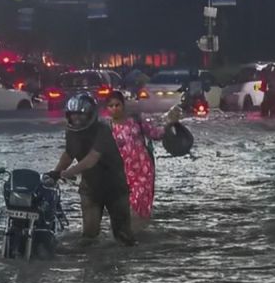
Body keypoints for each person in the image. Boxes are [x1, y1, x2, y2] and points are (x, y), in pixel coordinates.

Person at [51, 93, 136, 245]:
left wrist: (69, 172)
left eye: (80, 116)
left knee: (123, 237)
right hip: (90, 187)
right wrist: (55, 173)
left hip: (115, 187)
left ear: (90, 114)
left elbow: (91, 159)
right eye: (73, 115)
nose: (76, 119)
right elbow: (69, 153)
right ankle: (92, 265)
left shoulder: (103, 130)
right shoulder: (71, 131)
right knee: (89, 237)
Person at [105, 91, 180, 229]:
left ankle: (139, 234)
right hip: (121, 174)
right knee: (124, 208)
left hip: (143, 171)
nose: (115, 108)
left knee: (139, 205)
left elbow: (155, 134)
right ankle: (134, 235)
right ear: (107, 108)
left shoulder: (136, 121)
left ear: (123, 105)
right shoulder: (107, 129)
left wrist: (169, 124)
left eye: (117, 105)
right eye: (111, 106)